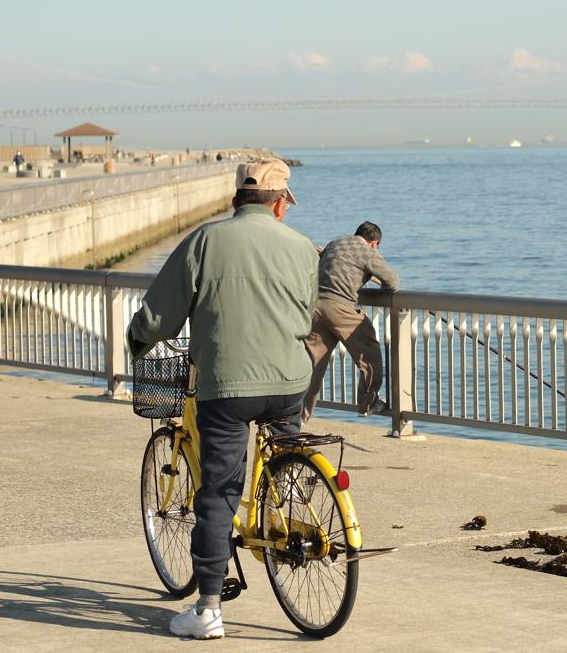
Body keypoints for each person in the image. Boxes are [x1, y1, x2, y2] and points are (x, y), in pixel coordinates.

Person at [127, 158, 318, 640]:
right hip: (290, 383)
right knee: (284, 453)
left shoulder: (205, 241)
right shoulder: (300, 247)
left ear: (236, 200)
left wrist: (137, 341)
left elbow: (161, 311)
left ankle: (209, 608)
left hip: (227, 389)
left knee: (217, 492)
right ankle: (285, 511)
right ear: (279, 205)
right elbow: (306, 313)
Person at [301, 222, 399, 423]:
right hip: (340, 308)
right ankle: (368, 402)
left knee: (312, 367)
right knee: (369, 353)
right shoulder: (367, 252)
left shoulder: (335, 243)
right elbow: (392, 281)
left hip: (314, 308)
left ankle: (297, 419)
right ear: (375, 243)